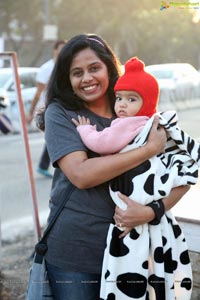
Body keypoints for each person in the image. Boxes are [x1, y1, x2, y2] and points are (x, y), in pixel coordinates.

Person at [35, 33, 190, 300]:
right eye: (76, 73)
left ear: (109, 67)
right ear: (67, 80)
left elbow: (184, 174)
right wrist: (148, 150)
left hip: (135, 254)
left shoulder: (139, 110)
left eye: (94, 68)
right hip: (77, 254)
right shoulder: (62, 113)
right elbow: (82, 175)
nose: (86, 78)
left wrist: (151, 211)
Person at [72, 57, 200, 300]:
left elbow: (102, 142)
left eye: (132, 99)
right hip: (154, 217)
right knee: (155, 275)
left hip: (130, 213)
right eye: (119, 98)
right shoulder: (153, 124)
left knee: (128, 276)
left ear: (147, 103)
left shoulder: (127, 124)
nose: (122, 105)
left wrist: (84, 130)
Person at [26, 39, 66, 178]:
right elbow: (38, 93)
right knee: (53, 137)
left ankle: (44, 166)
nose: (62, 52)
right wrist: (31, 113)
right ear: (55, 50)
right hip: (46, 108)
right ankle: (45, 166)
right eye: (60, 49)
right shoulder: (46, 69)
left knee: (54, 137)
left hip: (61, 107)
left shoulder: (65, 66)